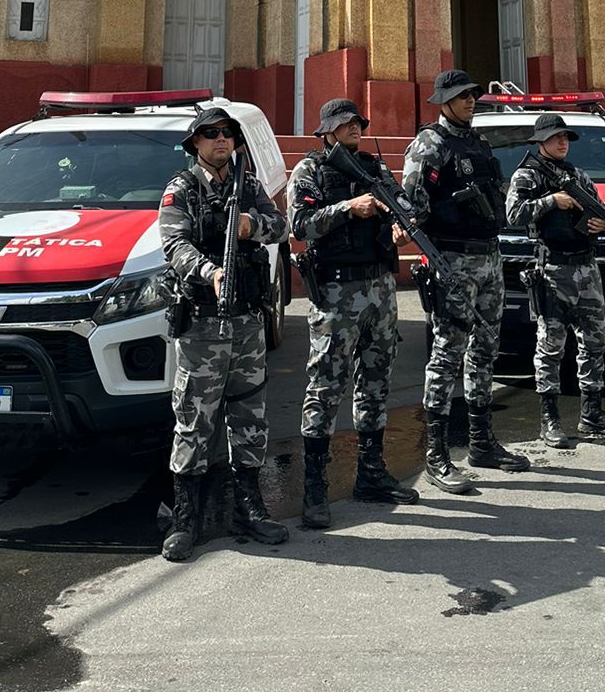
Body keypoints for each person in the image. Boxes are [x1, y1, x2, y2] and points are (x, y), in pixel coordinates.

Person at [157, 105, 289, 562]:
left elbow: (281, 226)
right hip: (203, 323)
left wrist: (252, 226)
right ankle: (185, 519)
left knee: (250, 414)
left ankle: (249, 507)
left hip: (248, 321)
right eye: (210, 134)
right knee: (195, 419)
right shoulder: (182, 190)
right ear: (195, 143)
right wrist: (210, 271)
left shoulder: (247, 185)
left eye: (228, 133)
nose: (221, 140)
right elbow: (174, 245)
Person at [288, 98, 418, 530]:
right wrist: (348, 208)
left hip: (379, 286)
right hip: (337, 292)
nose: (355, 131)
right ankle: (314, 489)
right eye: (345, 126)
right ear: (326, 132)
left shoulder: (375, 169)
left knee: (377, 381)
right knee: (325, 386)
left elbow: (403, 204)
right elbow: (300, 224)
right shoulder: (309, 171)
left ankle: (371, 473)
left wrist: (402, 227)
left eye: (358, 124)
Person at [402, 70, 530, 492]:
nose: (470, 101)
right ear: (444, 102)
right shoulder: (429, 145)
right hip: (453, 260)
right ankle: (436, 453)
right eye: (461, 96)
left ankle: (481, 443)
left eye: (473, 94)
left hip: (489, 256)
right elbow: (412, 207)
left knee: (485, 351)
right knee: (447, 354)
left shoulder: (478, 142)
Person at [506, 112, 605, 447]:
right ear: (541, 141)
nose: (563, 142)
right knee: (550, 348)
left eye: (566, 138)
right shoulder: (527, 174)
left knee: (594, 343)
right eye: (557, 137)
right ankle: (550, 420)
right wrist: (552, 201)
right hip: (553, 269)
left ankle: (591, 414)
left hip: (587, 267)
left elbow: (599, 210)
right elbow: (514, 213)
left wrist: (599, 224)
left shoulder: (576, 173)